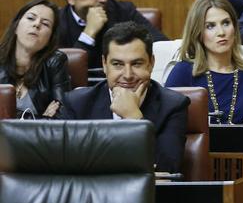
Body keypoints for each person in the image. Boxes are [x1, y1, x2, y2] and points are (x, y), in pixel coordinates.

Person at [60, 22, 188, 173]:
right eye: (118, 64)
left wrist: (133, 118)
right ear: (104, 65)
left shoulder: (172, 105)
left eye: (137, 64)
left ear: (151, 63)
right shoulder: (77, 104)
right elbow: (65, 166)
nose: (128, 75)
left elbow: (167, 169)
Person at [165, 0, 243, 125]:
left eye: (226, 23)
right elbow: (165, 126)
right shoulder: (183, 72)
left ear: (235, 27)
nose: (221, 32)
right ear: (198, 33)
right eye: (210, 26)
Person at [57, 0, 168, 68]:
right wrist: (88, 34)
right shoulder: (57, 23)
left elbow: (163, 47)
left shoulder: (123, 11)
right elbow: (65, 72)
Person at [0, 0, 71, 118]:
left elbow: (63, 115)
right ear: (16, 26)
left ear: (50, 39)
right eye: (31, 18)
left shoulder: (55, 63)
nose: (37, 24)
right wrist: (40, 119)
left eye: (45, 24)